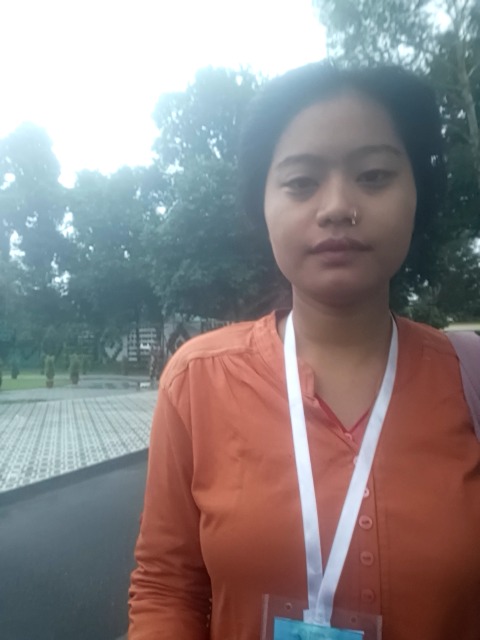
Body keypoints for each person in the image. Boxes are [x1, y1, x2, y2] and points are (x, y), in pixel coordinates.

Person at [128, 62, 480, 640]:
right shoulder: (198, 381)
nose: (337, 206)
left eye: (373, 176)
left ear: (418, 192)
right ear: (262, 203)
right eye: (300, 182)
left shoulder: (468, 382)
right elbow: (167, 588)